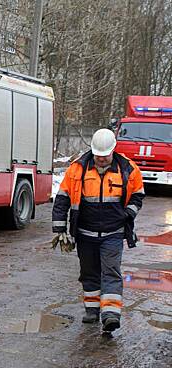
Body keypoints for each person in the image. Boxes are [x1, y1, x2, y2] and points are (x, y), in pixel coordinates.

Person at [52, 128, 144, 332]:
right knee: (89, 273)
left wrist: (128, 214)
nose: (101, 159)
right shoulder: (78, 169)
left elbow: (138, 195)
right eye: (98, 156)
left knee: (111, 272)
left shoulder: (128, 168)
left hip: (113, 233)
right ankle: (92, 310)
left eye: (105, 156)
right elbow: (63, 198)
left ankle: (110, 314)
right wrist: (59, 227)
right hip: (85, 233)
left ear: (113, 151)